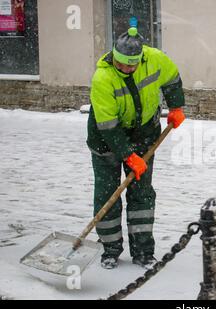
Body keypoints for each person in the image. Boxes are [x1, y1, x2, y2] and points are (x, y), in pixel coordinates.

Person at [87, 24, 186, 269]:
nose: (128, 68)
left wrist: (176, 107)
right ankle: (110, 249)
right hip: (106, 139)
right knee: (108, 194)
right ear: (115, 59)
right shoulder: (103, 78)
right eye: (123, 64)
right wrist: (127, 155)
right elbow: (108, 126)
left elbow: (172, 79)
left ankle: (143, 251)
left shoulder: (154, 59)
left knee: (142, 194)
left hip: (144, 133)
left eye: (132, 64)